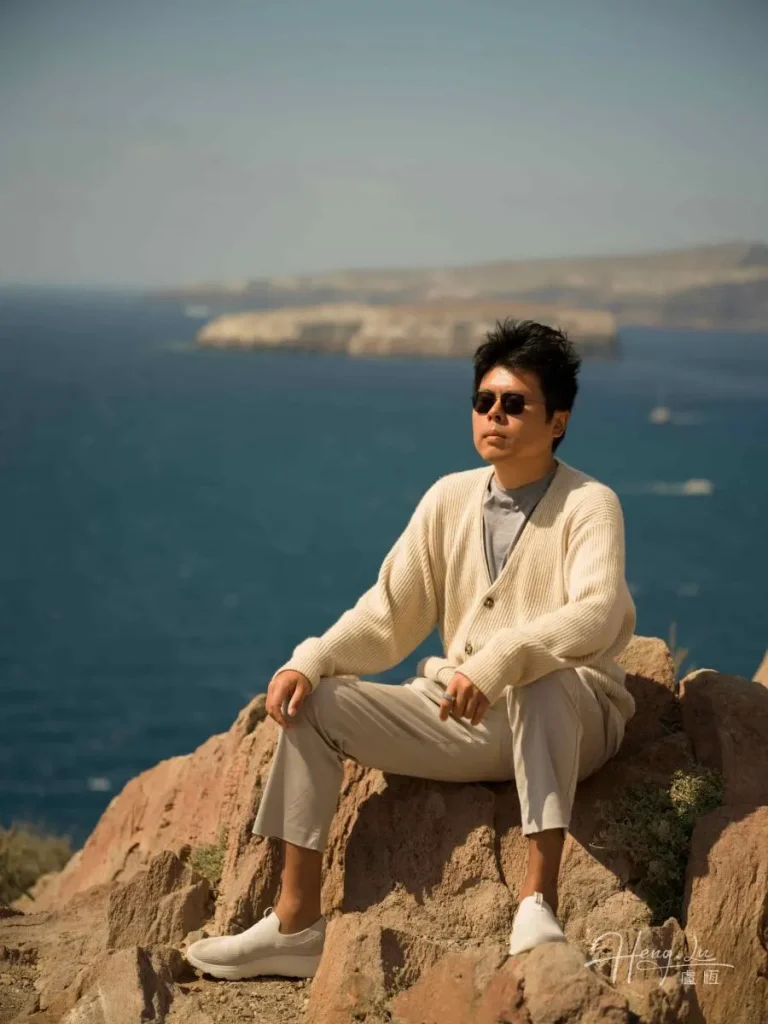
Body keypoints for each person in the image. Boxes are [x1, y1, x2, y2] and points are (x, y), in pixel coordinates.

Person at [185, 318, 636, 981]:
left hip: (575, 716)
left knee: (542, 679)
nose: (495, 416)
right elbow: (388, 615)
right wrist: (310, 658)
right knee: (317, 705)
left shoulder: (591, 505)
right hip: (469, 716)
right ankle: (294, 925)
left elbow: (597, 613)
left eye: (516, 404)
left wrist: (504, 657)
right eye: (484, 401)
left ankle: (538, 903)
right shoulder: (449, 499)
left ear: (558, 421)